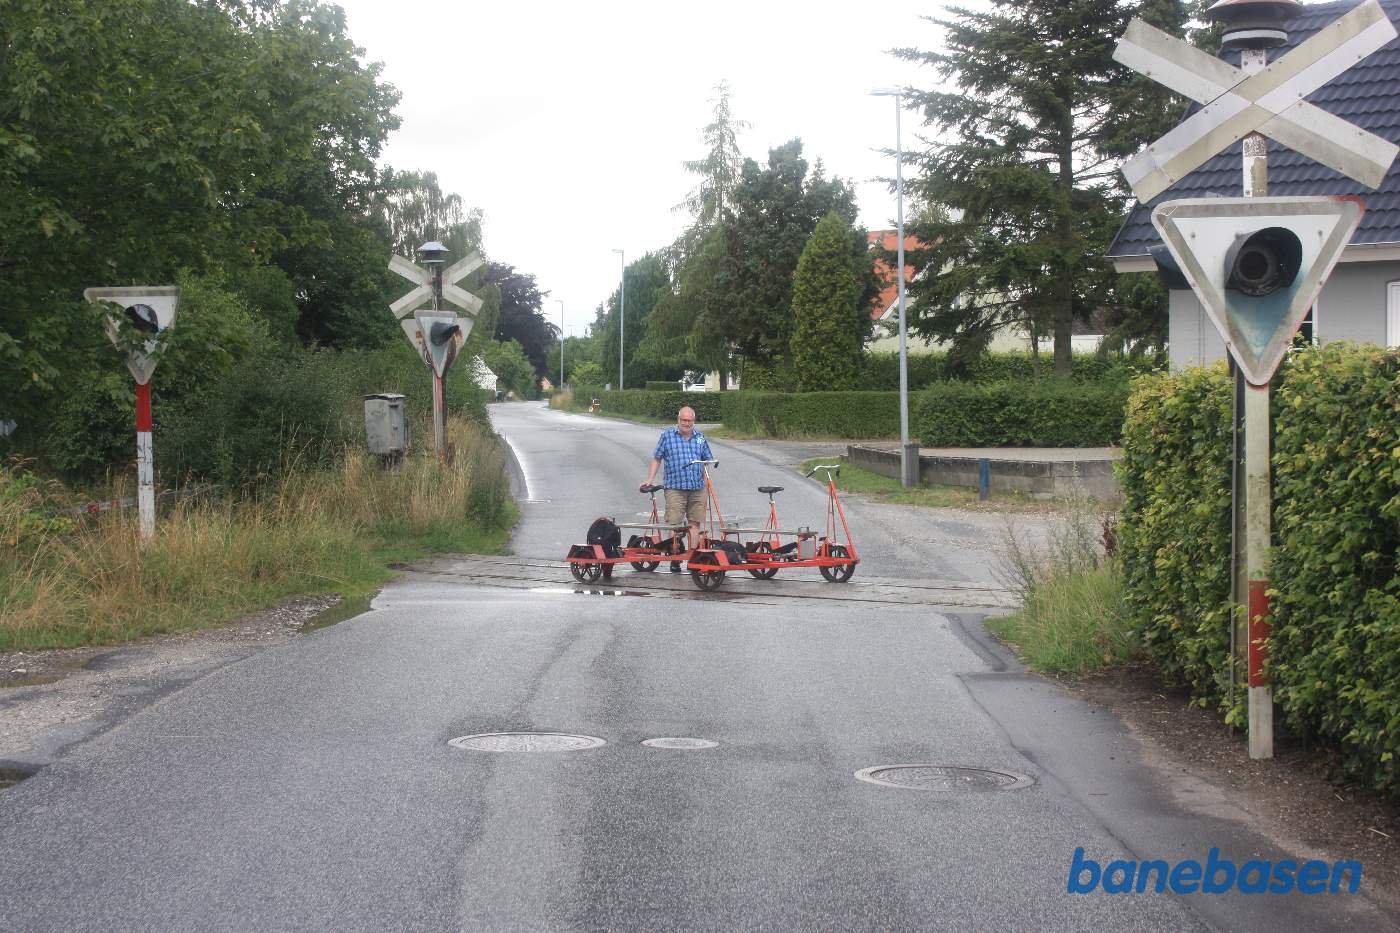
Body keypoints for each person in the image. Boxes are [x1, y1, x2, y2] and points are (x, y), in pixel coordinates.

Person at [642, 406, 714, 572]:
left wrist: (706, 482)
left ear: (693, 422)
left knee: (695, 523)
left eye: (689, 421)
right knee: (674, 524)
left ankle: (693, 558)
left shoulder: (700, 438)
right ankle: (675, 559)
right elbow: (657, 458)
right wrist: (650, 479)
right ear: (678, 420)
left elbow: (706, 462)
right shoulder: (667, 436)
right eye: (683, 420)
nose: (686, 423)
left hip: (697, 488)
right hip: (675, 487)